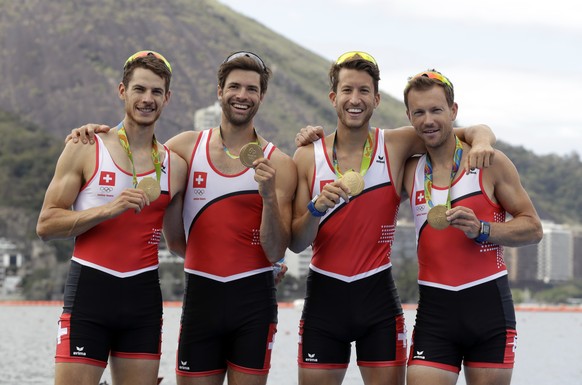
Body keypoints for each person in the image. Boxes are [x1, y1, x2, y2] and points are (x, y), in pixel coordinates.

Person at [67, 51, 297, 385]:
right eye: (234, 86)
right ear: (219, 91)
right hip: (201, 299)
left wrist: (268, 198)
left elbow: (276, 250)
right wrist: (94, 131)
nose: (242, 95)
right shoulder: (184, 150)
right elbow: (137, 150)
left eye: (251, 89)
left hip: (254, 303)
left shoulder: (281, 164)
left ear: (262, 96)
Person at [290, 52, 496, 385]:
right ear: (333, 98)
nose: (354, 99)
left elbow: (456, 130)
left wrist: (484, 139)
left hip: (378, 301)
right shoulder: (306, 156)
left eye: (363, 91)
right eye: (346, 91)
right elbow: (296, 242)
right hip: (324, 301)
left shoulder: (398, 144)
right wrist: (316, 210)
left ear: (375, 98)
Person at [36, 50, 187, 385]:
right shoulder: (86, 146)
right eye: (139, 89)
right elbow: (46, 224)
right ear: (122, 91)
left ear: (167, 98)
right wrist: (109, 208)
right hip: (90, 293)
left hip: (143, 302)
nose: (147, 99)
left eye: (156, 92)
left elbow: (180, 242)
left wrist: (262, 265)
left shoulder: (176, 166)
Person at [402, 69, 543, 385]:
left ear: (453, 111)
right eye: (420, 112)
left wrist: (483, 229)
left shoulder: (489, 162)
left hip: (488, 308)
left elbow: (533, 229)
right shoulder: (409, 169)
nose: (429, 120)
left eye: (437, 110)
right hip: (434, 311)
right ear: (409, 117)